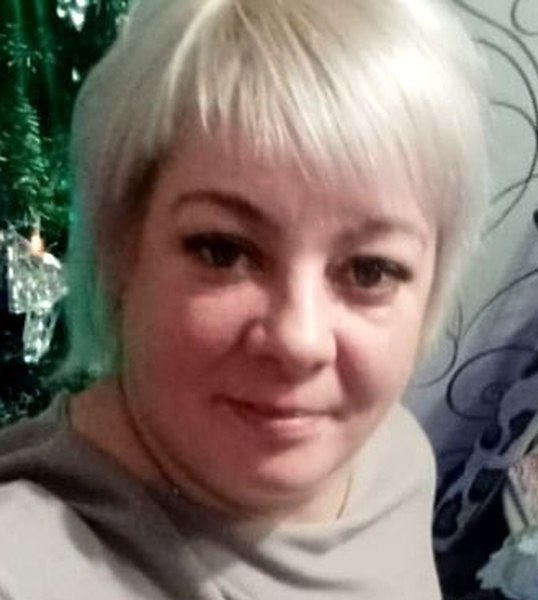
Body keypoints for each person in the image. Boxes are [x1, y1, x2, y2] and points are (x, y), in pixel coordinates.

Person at [0, 0, 487, 598]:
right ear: (122, 246)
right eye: (224, 251)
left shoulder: (396, 458)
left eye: (369, 270)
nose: (299, 340)